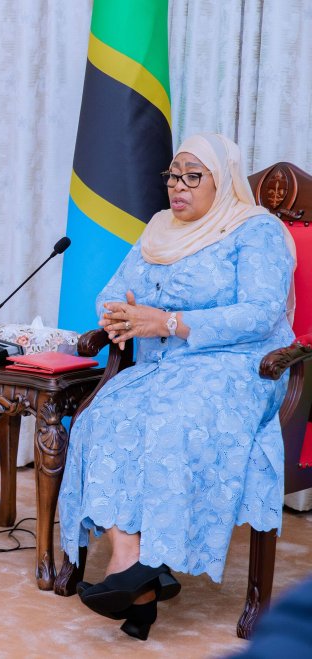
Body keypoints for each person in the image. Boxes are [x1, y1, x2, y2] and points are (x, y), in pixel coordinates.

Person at [57, 132, 296, 640]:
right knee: (107, 417)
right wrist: (120, 316)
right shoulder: (158, 230)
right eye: (173, 175)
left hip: (238, 368)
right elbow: (110, 294)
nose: (177, 187)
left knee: (172, 422)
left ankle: (141, 574)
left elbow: (261, 313)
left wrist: (167, 322)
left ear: (223, 181)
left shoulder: (257, 231)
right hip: (164, 368)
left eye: (193, 175)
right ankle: (134, 575)